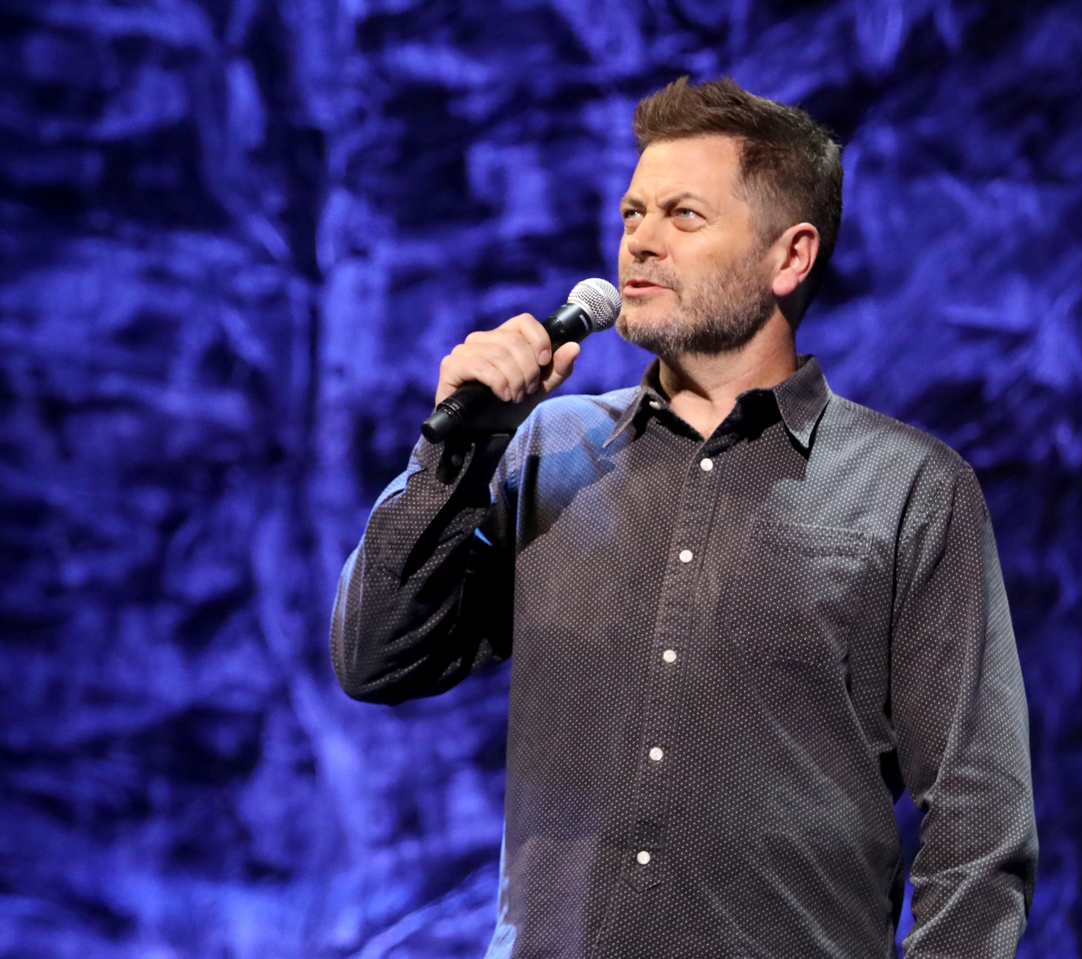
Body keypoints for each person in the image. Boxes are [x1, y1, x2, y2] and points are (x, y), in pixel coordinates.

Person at [332, 77, 1037, 959]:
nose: (641, 241)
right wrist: (454, 452)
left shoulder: (907, 490)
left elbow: (980, 823)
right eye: (633, 214)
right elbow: (377, 659)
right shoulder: (551, 448)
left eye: (683, 217)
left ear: (791, 256)